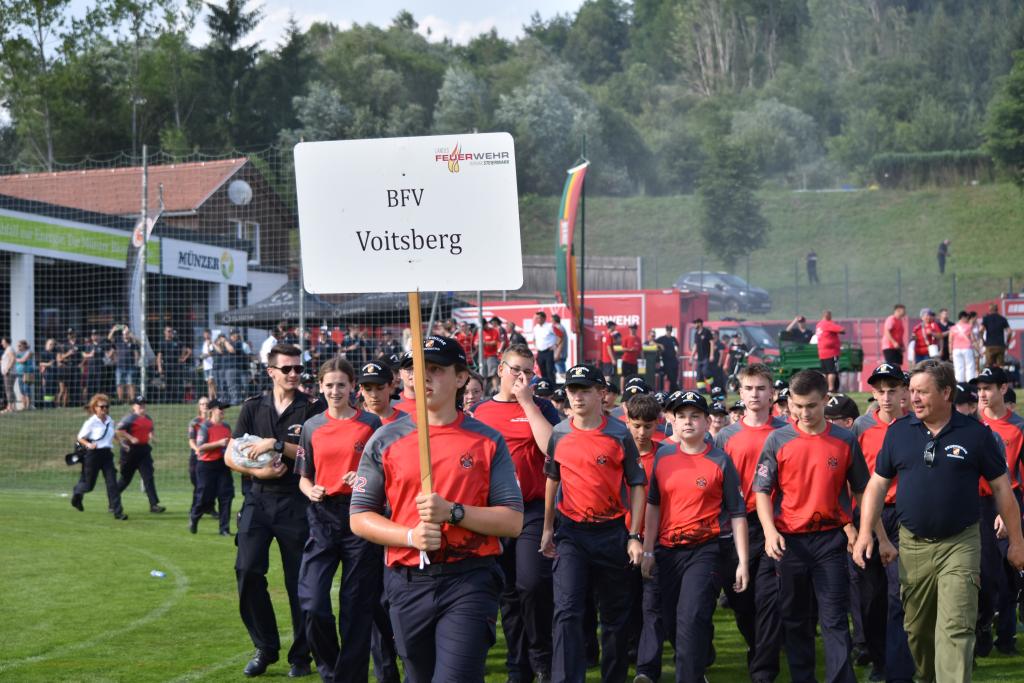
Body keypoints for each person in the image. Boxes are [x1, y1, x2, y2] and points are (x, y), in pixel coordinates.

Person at [349, 335, 524, 682]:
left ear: (461, 378)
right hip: (407, 581)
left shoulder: (487, 440)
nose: (425, 376)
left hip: (469, 580)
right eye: (418, 368)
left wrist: (454, 513)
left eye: (436, 369)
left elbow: (513, 521)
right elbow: (359, 517)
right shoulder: (385, 439)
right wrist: (409, 536)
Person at [854, 360, 1024, 683]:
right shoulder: (898, 433)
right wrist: (865, 533)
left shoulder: (976, 434)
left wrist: (1017, 541)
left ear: (946, 393)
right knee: (917, 631)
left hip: (960, 544)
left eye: (922, 392)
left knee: (956, 628)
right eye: (912, 391)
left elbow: (1003, 488)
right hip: (913, 545)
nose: (913, 398)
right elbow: (876, 485)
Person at [754, 369, 872, 683]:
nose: (804, 413)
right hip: (789, 542)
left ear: (824, 400)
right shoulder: (777, 439)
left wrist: (865, 531)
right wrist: (769, 532)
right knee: (795, 620)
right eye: (797, 406)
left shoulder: (845, 439)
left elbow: (862, 489)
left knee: (834, 618)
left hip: (830, 541)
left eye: (811, 406)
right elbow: (762, 490)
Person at [223, 343, 325, 678]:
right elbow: (230, 455)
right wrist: (259, 472)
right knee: (247, 570)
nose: (294, 374)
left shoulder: (313, 407)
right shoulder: (253, 407)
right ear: (271, 372)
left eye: (299, 368)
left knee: (299, 582)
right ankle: (264, 647)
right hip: (258, 498)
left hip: (297, 501)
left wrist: (277, 444)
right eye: (287, 369)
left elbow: (318, 452)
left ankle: (301, 656)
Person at [540, 364, 646, 683]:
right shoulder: (559, 433)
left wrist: (634, 535)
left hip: (612, 533)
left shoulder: (619, 434)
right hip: (572, 533)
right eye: (572, 390)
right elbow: (552, 480)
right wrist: (547, 528)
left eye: (584, 390)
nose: (577, 397)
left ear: (601, 394)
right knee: (567, 610)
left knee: (614, 617)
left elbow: (637, 484)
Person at [643, 390, 749, 683]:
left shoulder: (721, 460)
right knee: (672, 621)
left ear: (706, 422)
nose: (688, 422)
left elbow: (737, 513)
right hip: (667, 551)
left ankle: (689, 675)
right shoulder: (663, 455)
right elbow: (653, 505)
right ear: (673, 421)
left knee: (690, 617)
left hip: (705, 550)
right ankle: (697, 666)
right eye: (682, 416)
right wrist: (648, 550)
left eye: (695, 416)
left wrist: (742, 562)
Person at [473, 344, 561, 682]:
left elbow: (553, 449)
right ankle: (518, 665)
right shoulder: (480, 411)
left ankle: (541, 654)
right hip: (495, 510)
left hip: (532, 509)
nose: (522, 377)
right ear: (500, 370)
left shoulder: (541, 407)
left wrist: (527, 403)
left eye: (528, 372)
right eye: (516, 370)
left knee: (532, 583)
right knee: (507, 591)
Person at [294, 357, 383, 683]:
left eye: (341, 385)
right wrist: (311, 490)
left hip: (360, 513)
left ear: (352, 387)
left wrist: (363, 477)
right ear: (320, 387)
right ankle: (331, 671)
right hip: (323, 516)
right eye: (329, 385)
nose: (335, 391)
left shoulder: (371, 424)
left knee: (355, 608)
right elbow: (303, 477)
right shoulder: (311, 427)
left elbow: (387, 472)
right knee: (313, 601)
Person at [713, 363, 788, 683]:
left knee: (769, 600)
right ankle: (758, 648)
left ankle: (763, 672)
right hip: (736, 525)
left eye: (761, 388)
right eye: (749, 388)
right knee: (742, 601)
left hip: (775, 523)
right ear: (740, 393)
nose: (755, 394)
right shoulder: (725, 436)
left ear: (772, 393)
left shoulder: (785, 432)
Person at [850, 364, 914, 683]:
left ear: (904, 391)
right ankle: (878, 658)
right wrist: (854, 528)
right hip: (868, 515)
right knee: (871, 596)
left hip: (905, 515)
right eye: (880, 391)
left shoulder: (915, 425)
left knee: (898, 593)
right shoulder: (861, 428)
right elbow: (852, 480)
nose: (886, 397)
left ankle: (899, 666)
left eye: (892, 390)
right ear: (873, 393)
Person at [973, 366, 1024, 656]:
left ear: (1003, 389)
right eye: (979, 389)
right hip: (977, 505)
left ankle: (1006, 637)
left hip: (1009, 501)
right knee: (981, 573)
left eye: (988, 388)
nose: (982, 394)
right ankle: (981, 632)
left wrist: (1010, 513)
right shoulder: (970, 425)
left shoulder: (1019, 427)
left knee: (1009, 572)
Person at [623, 393, 667, 683]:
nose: (641, 432)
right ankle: (629, 652)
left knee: (653, 605)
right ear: (627, 421)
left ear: (657, 424)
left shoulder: (665, 455)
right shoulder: (617, 452)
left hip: (657, 540)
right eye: (636, 425)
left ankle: (646, 670)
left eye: (648, 426)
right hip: (621, 538)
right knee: (626, 604)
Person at [71, 393, 126, 519]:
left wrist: (121, 442)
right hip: (93, 455)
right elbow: (80, 438)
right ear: (95, 408)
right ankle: (77, 493)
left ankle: (118, 512)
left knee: (112, 484)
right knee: (89, 485)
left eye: (106, 406)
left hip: (107, 455)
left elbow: (112, 433)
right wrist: (88, 445)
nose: (104, 409)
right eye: (101, 407)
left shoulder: (110, 420)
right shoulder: (91, 422)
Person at [190, 399, 235, 535]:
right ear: (212, 410)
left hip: (223, 465)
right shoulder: (205, 427)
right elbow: (200, 447)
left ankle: (224, 529)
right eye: (220, 408)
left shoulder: (226, 427)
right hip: (206, 466)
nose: (223, 411)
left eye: (224, 408)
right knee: (204, 497)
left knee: (226, 496)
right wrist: (218, 443)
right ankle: (195, 516)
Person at [115, 396, 165, 513]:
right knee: (125, 479)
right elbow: (118, 430)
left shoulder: (148, 418)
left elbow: (150, 429)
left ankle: (154, 505)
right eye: (139, 404)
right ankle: (113, 499)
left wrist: (152, 437)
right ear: (134, 406)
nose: (142, 406)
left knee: (148, 477)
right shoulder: (129, 418)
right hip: (130, 451)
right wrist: (131, 438)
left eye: (143, 403)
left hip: (144, 451)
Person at [815, 310, 845, 393]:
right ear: (828, 316)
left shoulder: (819, 325)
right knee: (832, 371)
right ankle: (831, 388)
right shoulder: (828, 324)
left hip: (822, 353)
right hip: (831, 352)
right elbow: (842, 330)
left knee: (825, 372)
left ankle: (825, 388)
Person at [109, 325, 137, 403]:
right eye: (124, 334)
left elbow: (139, 343)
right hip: (120, 366)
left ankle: (132, 400)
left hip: (130, 366)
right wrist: (113, 330)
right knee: (119, 383)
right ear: (122, 335)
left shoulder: (132, 343)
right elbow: (109, 338)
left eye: (127, 333)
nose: (126, 335)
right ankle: (120, 400)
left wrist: (131, 334)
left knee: (130, 383)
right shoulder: (118, 342)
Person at [187, 397, 209, 497]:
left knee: (207, 482)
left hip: (210, 454)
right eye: (202, 404)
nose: (205, 406)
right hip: (196, 454)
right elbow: (191, 441)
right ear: (199, 407)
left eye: (206, 404)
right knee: (195, 480)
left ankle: (205, 504)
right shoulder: (194, 422)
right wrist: (197, 450)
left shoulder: (213, 422)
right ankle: (197, 503)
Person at [981, 303, 1013, 368]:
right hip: (1000, 345)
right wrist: (1007, 342)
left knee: (989, 366)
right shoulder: (1003, 319)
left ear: (989, 310)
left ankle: (990, 374)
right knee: (1000, 366)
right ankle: (1000, 374)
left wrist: (983, 340)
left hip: (990, 345)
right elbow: (1010, 332)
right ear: (997, 310)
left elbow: (981, 330)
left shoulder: (986, 319)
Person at [949, 311, 978, 383]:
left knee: (958, 367)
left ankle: (959, 383)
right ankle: (970, 382)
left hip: (956, 349)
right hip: (967, 348)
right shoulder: (969, 326)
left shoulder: (953, 328)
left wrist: (950, 353)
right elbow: (973, 339)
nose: (968, 319)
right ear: (963, 317)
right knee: (970, 366)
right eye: (967, 318)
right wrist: (978, 350)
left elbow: (950, 341)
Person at [533, 311, 557, 384]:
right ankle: (545, 386)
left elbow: (560, 336)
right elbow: (534, 338)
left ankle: (552, 386)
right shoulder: (536, 328)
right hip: (540, 352)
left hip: (548, 352)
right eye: (536, 318)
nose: (537, 320)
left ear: (544, 318)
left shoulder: (550, 326)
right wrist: (536, 346)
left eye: (539, 318)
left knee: (550, 370)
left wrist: (556, 345)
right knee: (542, 371)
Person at [654, 325, 680, 393]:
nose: (669, 331)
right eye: (668, 330)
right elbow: (653, 342)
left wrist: (677, 354)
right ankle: (674, 390)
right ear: (666, 330)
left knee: (675, 376)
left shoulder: (673, 339)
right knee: (671, 376)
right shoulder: (662, 338)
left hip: (674, 360)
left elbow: (677, 347)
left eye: (670, 330)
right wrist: (660, 345)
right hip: (666, 361)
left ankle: (673, 391)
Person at [691, 319, 714, 390]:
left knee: (705, 371)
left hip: (706, 356)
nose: (695, 325)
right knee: (699, 375)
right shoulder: (696, 333)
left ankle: (713, 385)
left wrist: (711, 355)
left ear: (700, 323)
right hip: (699, 358)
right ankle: (702, 390)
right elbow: (695, 345)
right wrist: (691, 356)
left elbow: (712, 343)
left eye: (696, 323)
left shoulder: (706, 331)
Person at [600, 321, 619, 385]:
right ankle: (608, 388)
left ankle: (606, 388)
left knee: (606, 375)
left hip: (605, 359)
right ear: (611, 326)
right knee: (608, 375)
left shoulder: (605, 335)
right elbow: (609, 348)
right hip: (608, 359)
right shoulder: (609, 336)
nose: (615, 327)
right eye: (614, 326)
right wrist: (613, 359)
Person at [200, 329, 217, 398]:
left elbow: (211, 353)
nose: (206, 335)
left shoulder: (212, 342)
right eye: (205, 334)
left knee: (211, 382)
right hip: (205, 366)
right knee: (208, 383)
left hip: (211, 365)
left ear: (210, 334)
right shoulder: (204, 343)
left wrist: (205, 355)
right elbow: (203, 353)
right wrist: (202, 356)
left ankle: (215, 397)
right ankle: (210, 398)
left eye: (207, 334)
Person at [1, 337, 16, 412]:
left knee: (9, 390)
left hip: (9, 373)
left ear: (6, 342)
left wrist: (7, 369)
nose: (1, 343)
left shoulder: (10, 349)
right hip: (8, 373)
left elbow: (13, 359)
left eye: (3, 342)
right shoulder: (7, 349)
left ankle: (10, 407)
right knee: (9, 389)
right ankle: (11, 406)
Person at [552, 314, 568, 380]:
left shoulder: (558, 328)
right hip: (560, 354)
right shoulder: (561, 327)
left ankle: (572, 383)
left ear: (554, 320)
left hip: (559, 355)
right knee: (555, 373)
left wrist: (557, 354)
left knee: (562, 373)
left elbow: (560, 342)